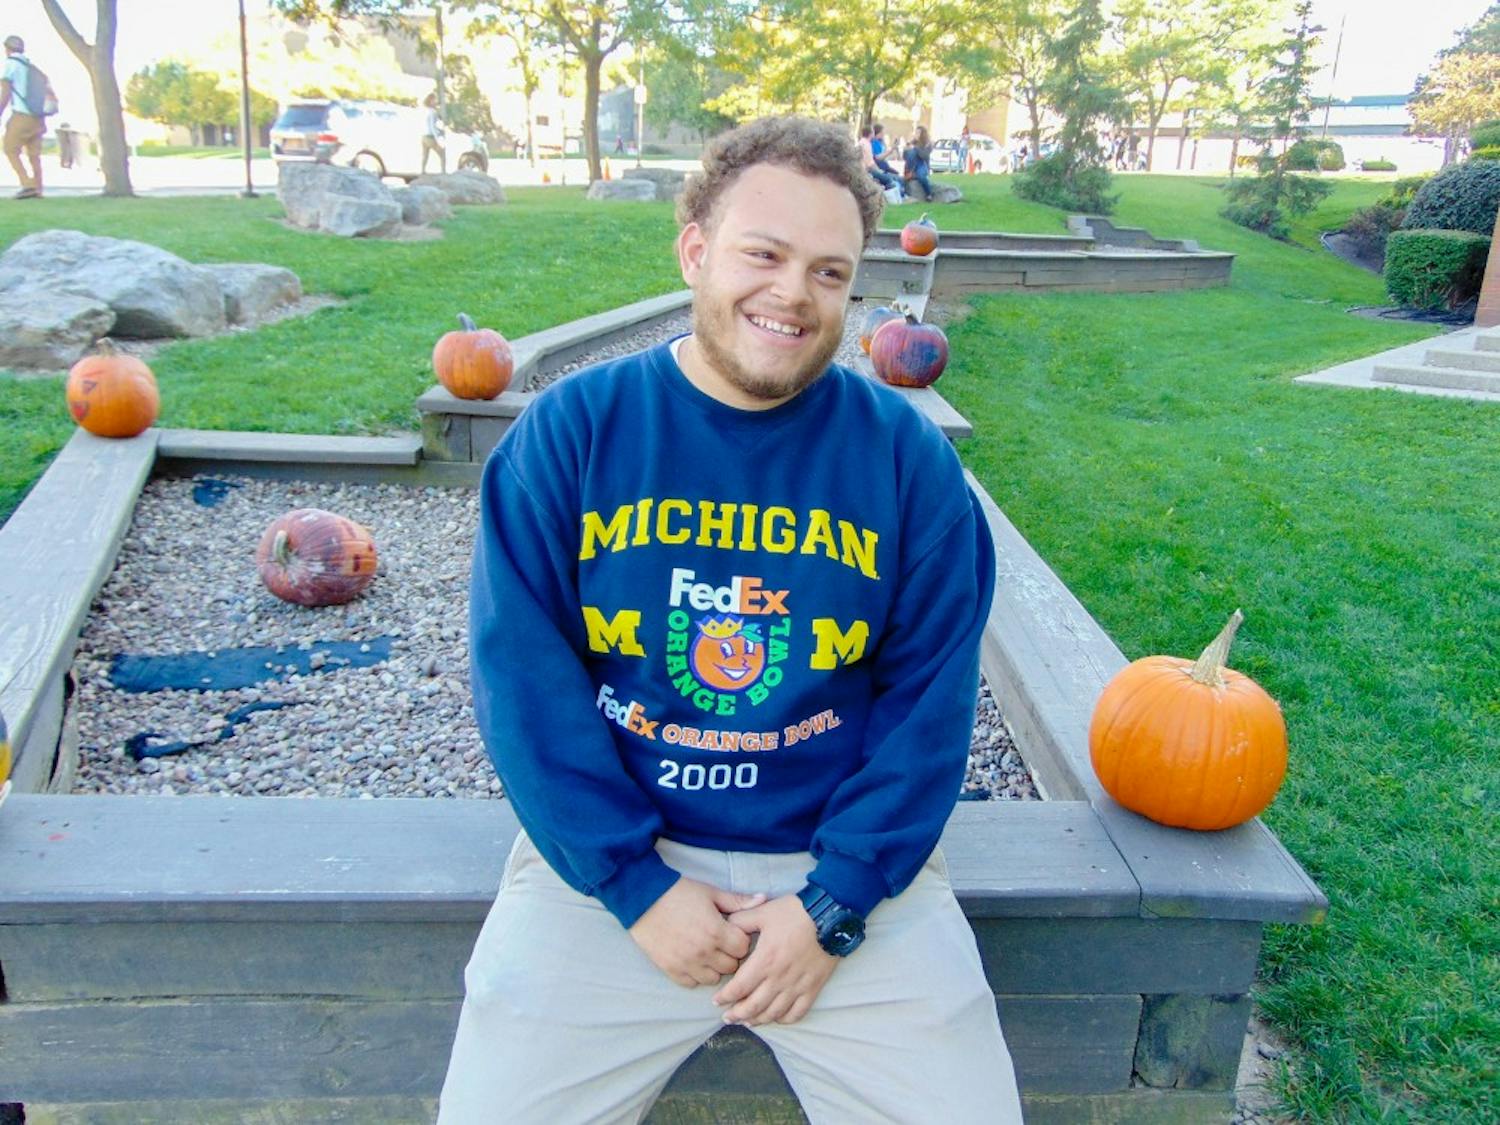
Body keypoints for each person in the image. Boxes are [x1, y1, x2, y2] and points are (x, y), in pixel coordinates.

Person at [438, 114, 1021, 1124]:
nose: (793, 294)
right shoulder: (575, 437)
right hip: (620, 866)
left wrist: (835, 906)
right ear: (696, 251)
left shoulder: (906, 463)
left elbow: (928, 711)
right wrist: (630, 885)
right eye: (765, 254)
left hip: (841, 867)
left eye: (830, 273)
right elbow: (525, 686)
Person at [0, 35, 45, 199]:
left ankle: (27, 185)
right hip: (39, 117)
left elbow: (5, 92)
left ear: (7, 48)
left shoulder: (10, 64)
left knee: (10, 149)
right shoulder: (31, 66)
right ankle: (38, 188)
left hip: (21, 115)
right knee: (34, 154)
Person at [858, 124, 902, 196]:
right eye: (873, 132)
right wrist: (879, 171)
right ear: (871, 133)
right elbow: (871, 163)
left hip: (875, 167)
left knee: (895, 177)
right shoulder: (867, 144)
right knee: (889, 179)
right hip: (869, 169)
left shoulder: (865, 142)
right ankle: (892, 195)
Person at [902, 124, 936, 202]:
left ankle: (929, 194)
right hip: (912, 165)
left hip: (922, 164)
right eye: (916, 132)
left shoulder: (928, 144)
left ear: (922, 134)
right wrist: (906, 148)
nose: (916, 135)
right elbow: (905, 157)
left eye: (918, 133)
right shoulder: (912, 143)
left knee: (921, 177)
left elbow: (924, 156)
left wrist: (915, 148)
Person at [421, 92, 446, 175]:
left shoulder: (424, 110)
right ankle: (443, 171)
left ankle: (423, 170)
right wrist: (437, 138)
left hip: (423, 136)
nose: (436, 101)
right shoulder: (432, 112)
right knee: (442, 154)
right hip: (430, 136)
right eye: (435, 99)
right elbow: (432, 126)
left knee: (425, 155)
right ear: (431, 101)